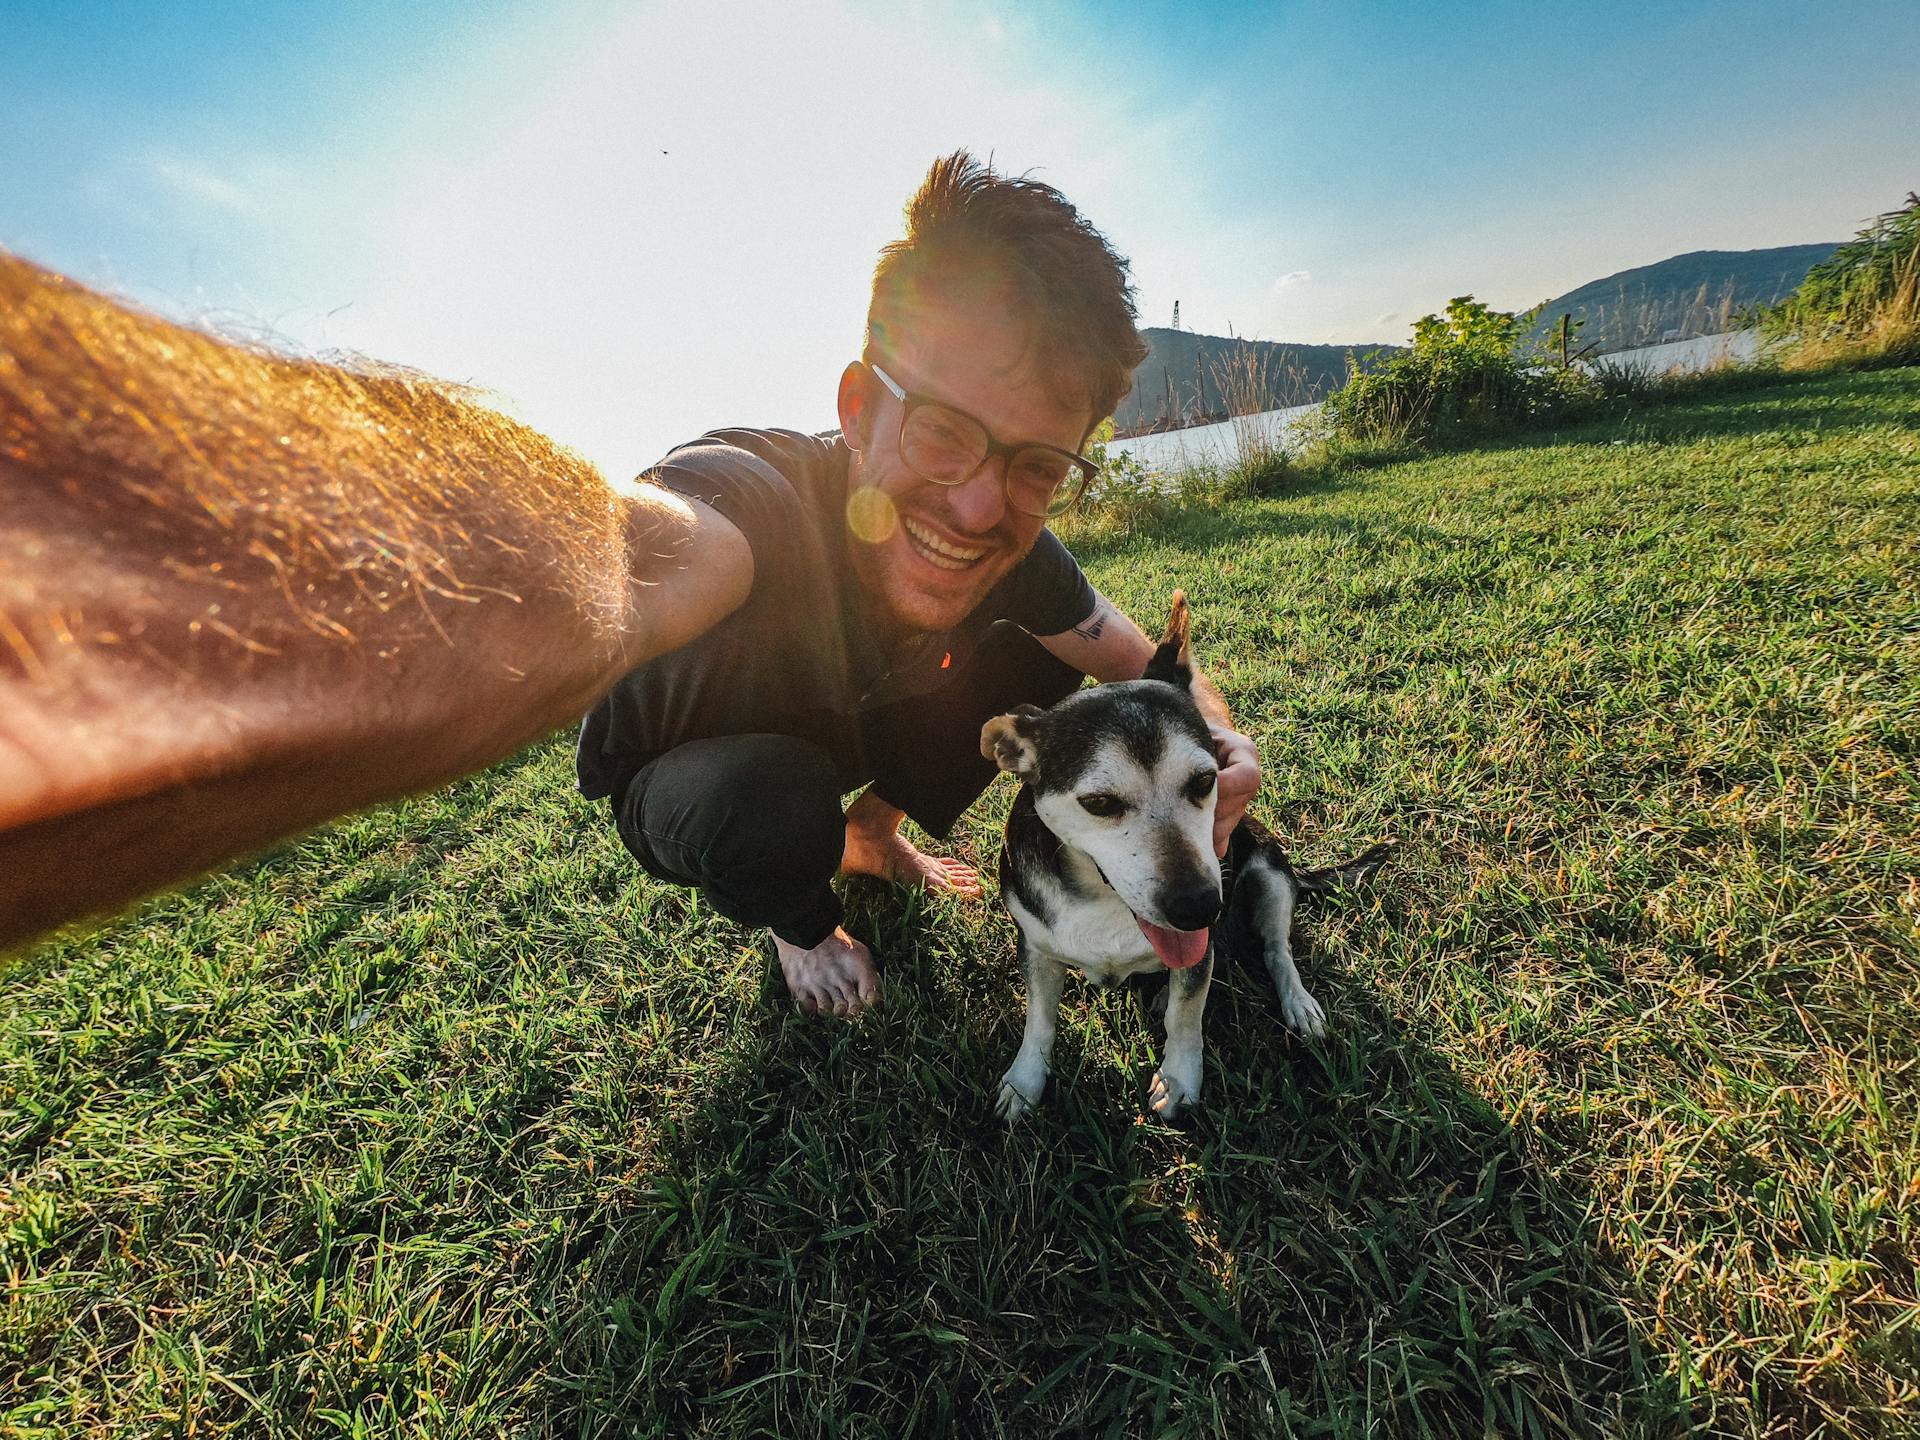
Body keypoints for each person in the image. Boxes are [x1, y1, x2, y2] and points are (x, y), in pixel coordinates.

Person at [575, 152, 1261, 1018]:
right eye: (942, 431)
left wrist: (1228, 747)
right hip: (692, 776)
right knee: (770, 794)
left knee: (1045, 671)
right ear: (859, 408)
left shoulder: (1018, 543)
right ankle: (803, 927)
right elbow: (643, 540)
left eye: (1038, 466)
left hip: (850, 718)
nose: (979, 508)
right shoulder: (746, 495)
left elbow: (1148, 662)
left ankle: (871, 831)